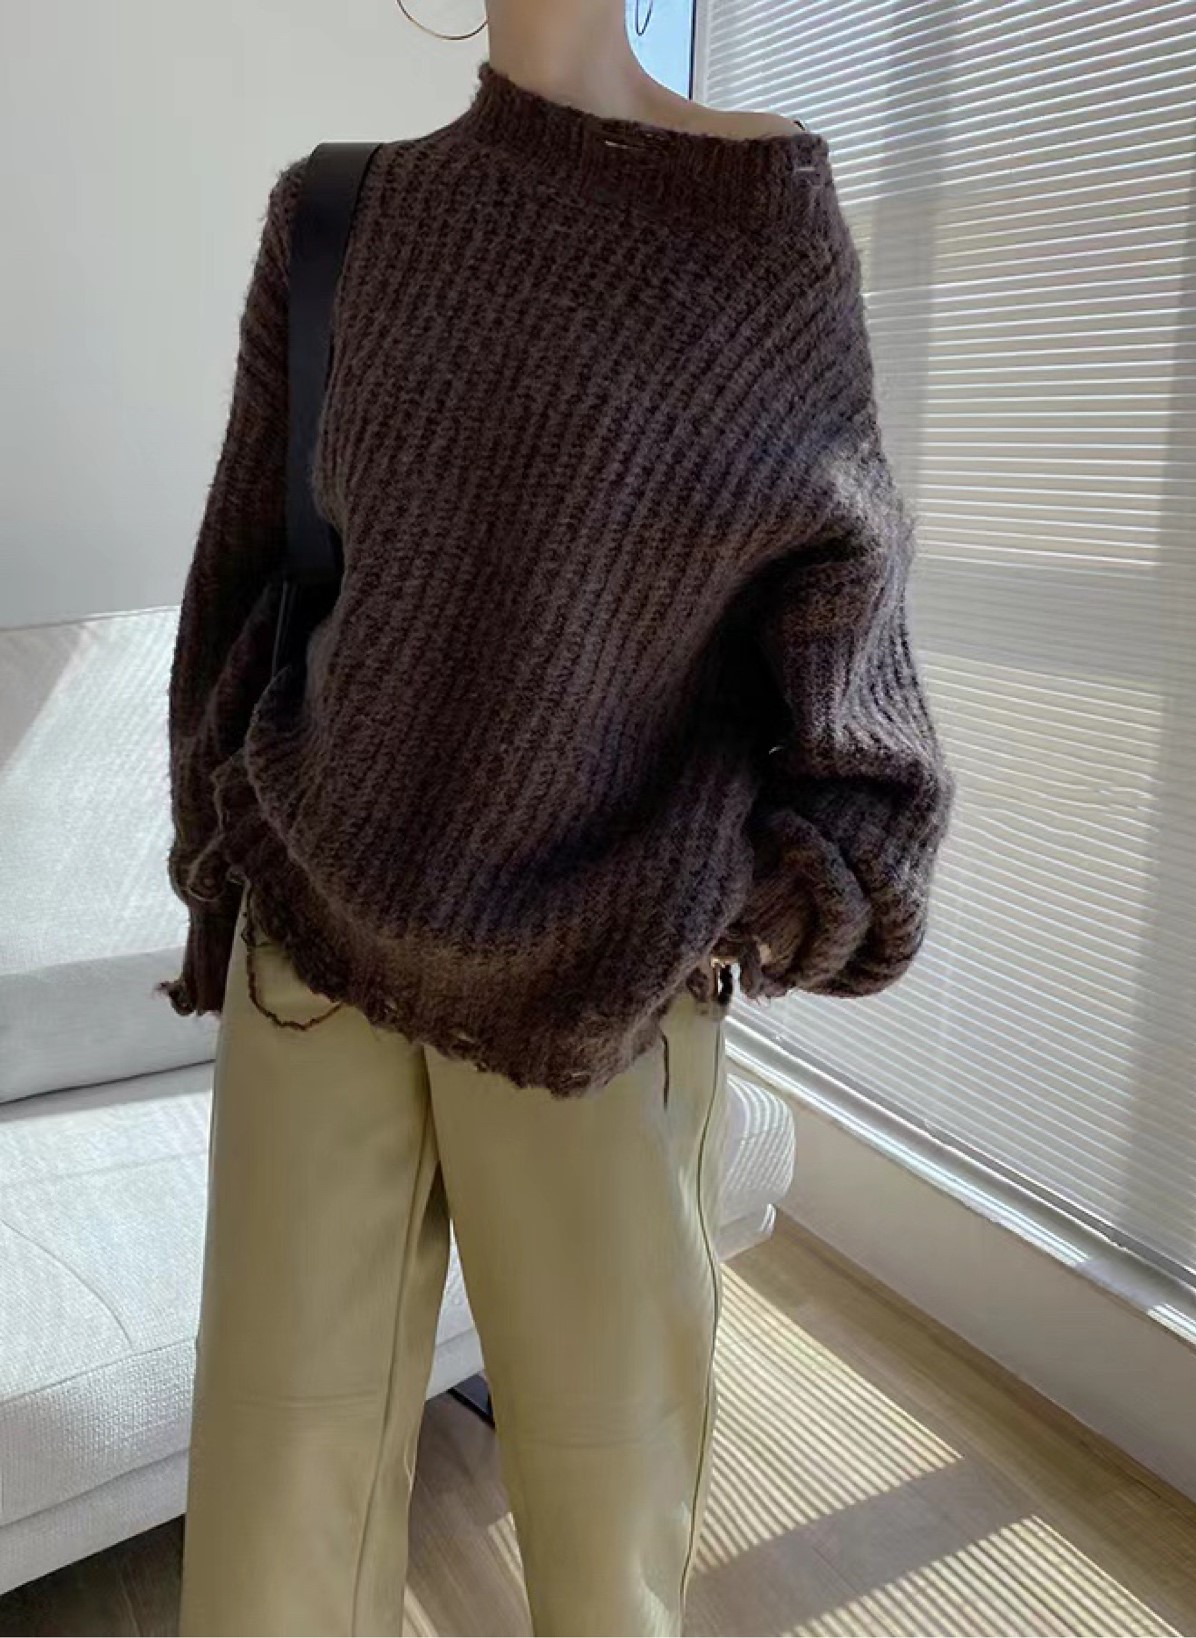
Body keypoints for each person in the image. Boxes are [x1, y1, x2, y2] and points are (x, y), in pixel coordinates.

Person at [162, 3, 954, 1633]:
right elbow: (250, 578)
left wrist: (767, 898)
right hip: (311, 954)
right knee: (268, 1541)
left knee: (607, 1557)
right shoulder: (338, 216)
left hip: (606, 983)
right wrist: (215, 853)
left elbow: (846, 629)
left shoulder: (757, 221)